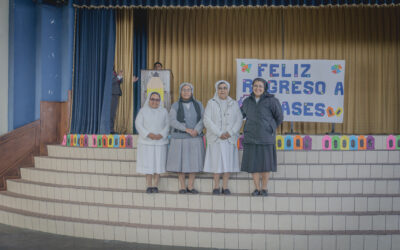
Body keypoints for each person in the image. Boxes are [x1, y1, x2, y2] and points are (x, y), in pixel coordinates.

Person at [240, 78, 283, 196]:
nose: (257, 88)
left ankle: (264, 188)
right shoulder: (247, 101)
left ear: (264, 88)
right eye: (255, 86)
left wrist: (270, 127)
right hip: (251, 137)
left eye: (260, 86)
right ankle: (257, 188)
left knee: (266, 164)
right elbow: (240, 115)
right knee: (253, 164)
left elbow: (279, 117)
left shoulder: (272, 101)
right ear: (252, 87)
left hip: (266, 137)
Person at [203, 80, 243, 195]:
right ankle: (216, 186)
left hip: (229, 139)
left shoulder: (234, 103)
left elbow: (239, 120)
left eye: (225, 88)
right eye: (220, 88)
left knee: (228, 163)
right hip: (216, 139)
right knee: (216, 163)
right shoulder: (211, 103)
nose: (222, 90)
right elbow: (207, 120)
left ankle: (225, 187)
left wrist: (230, 132)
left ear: (228, 90)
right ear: (217, 89)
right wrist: (219, 133)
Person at [166, 82, 205, 194]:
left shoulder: (198, 104)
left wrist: (196, 130)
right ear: (180, 92)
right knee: (180, 162)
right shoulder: (175, 105)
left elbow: (203, 119)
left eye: (189, 90)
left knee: (194, 162)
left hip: (195, 137)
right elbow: (172, 120)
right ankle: (182, 186)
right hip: (179, 138)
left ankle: (190, 186)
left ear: (192, 91)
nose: (186, 92)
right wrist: (186, 129)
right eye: (184, 90)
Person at [135, 92, 169, 193]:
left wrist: (161, 134)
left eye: (157, 100)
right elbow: (138, 124)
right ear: (149, 100)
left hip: (160, 142)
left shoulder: (164, 111)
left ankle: (155, 185)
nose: (155, 102)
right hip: (146, 142)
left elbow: (168, 125)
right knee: (148, 164)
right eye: (153, 99)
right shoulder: (143, 111)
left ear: (160, 101)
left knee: (158, 163)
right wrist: (148, 134)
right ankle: (149, 185)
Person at [110, 69, 138, 134]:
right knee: (111, 112)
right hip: (112, 93)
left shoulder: (114, 71)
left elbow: (119, 81)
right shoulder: (108, 70)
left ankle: (111, 129)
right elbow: (111, 81)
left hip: (115, 93)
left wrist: (119, 77)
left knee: (113, 113)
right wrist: (118, 77)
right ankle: (110, 129)